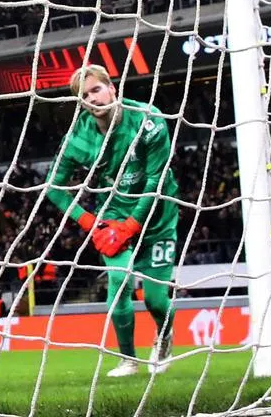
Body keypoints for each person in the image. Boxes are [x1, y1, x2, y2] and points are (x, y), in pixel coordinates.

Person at [45, 64, 178, 377]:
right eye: (84, 96)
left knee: (156, 297)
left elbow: (156, 179)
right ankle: (128, 359)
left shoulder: (148, 120)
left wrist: (134, 224)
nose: (93, 98)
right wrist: (91, 222)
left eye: (96, 89)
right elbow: (54, 187)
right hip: (112, 217)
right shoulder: (78, 138)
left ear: (111, 88)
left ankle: (164, 336)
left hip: (157, 215)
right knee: (119, 283)